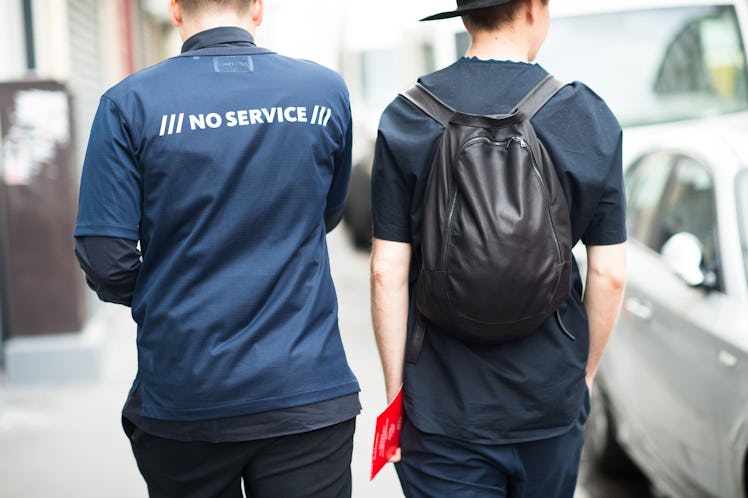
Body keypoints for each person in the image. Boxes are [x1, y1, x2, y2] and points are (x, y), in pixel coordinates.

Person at [74, 1, 360, 497]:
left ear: (176, 9)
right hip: (305, 386)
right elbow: (327, 213)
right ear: (257, 8)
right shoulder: (323, 91)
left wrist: (171, 295)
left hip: (188, 391)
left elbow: (106, 259)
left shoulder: (129, 103)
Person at [370, 0, 627, 496]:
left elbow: (387, 270)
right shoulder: (586, 114)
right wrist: (583, 377)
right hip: (548, 399)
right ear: (535, 9)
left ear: (465, 17)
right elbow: (609, 273)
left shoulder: (406, 116)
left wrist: (395, 397)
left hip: (441, 407)